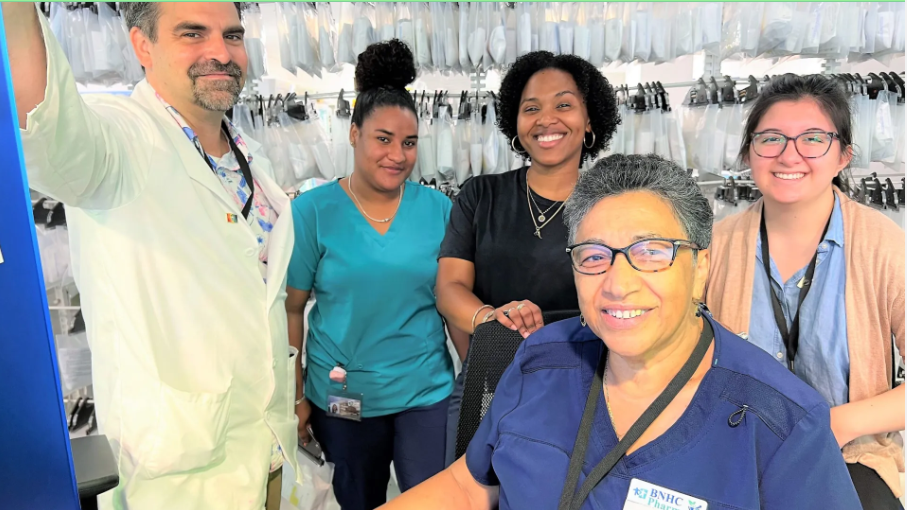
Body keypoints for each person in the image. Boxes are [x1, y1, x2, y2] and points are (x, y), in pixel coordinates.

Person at [379, 154, 861, 510]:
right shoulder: (541, 361)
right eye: (593, 255)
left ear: (699, 268)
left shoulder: (782, 422)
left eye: (652, 251)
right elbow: (469, 487)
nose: (618, 283)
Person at [5, 2, 299, 509]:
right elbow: (47, 132)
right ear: (142, 46)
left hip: (271, 456)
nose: (220, 52)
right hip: (182, 478)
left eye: (232, 36)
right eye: (192, 34)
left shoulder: (249, 154)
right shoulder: (121, 143)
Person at [706, 74, 906, 509]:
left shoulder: (884, 246)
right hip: (734, 455)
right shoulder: (714, 246)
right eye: (771, 139)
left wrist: (836, 424)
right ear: (749, 153)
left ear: (843, 156)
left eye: (813, 138)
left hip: (849, 457)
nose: (789, 154)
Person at [285, 40, 454, 510]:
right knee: (357, 499)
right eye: (383, 138)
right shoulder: (313, 213)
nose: (397, 155)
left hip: (426, 391)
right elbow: (292, 307)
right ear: (354, 133)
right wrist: (295, 397)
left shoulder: (439, 210)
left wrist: (482, 385)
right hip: (343, 396)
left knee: (432, 500)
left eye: (409, 142)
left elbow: (455, 301)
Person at [437, 51, 620, 465]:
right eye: (531, 108)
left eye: (564, 104)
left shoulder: (613, 203)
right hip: (493, 372)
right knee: (475, 487)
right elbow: (449, 289)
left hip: (591, 378)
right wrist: (491, 321)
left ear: (589, 120)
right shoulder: (480, 195)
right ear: (515, 124)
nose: (546, 119)